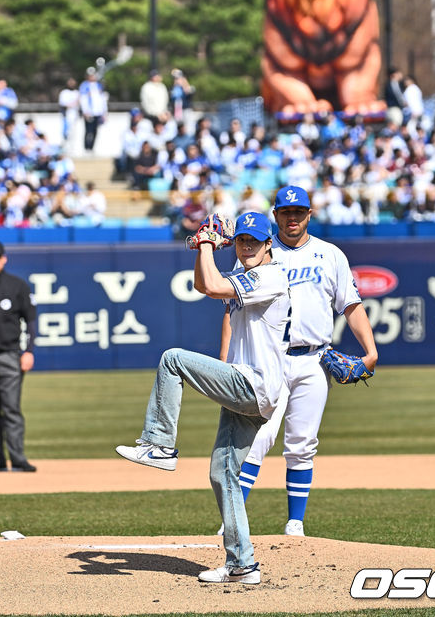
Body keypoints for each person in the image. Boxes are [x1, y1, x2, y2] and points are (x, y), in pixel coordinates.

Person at [116, 211, 290, 584]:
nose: (246, 246)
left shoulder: (269, 276)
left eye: (254, 241)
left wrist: (209, 241)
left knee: (173, 359)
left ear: (269, 244)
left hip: (254, 384)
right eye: (242, 240)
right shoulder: (250, 274)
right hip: (253, 387)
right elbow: (202, 283)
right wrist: (202, 246)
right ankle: (243, 564)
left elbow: (212, 287)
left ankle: (159, 444)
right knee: (223, 473)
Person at [218, 185, 378, 537]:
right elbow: (232, 310)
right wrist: (227, 361)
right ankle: (232, 520)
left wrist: (371, 351)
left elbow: (350, 305)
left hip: (314, 360)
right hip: (267, 360)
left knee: (302, 443)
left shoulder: (331, 255)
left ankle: (295, 523)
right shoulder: (257, 251)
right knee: (258, 439)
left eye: (299, 212)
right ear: (275, 215)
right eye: (286, 212)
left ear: (309, 214)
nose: (292, 218)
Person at [0, 241, 37, 472]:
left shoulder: (16, 285)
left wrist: (29, 351)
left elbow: (30, 321)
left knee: (11, 408)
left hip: (9, 355)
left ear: (4, 259)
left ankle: (18, 458)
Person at [79, 67, 107, 152]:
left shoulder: (99, 85)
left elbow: (102, 99)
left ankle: (91, 148)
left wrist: (104, 112)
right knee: (88, 131)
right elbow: (83, 99)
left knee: (95, 131)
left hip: (97, 112)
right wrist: (85, 111)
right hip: (89, 112)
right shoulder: (84, 85)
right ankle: (86, 148)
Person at [57, 77, 80, 142]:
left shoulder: (77, 92)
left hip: (75, 115)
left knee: (73, 132)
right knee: (66, 132)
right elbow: (63, 104)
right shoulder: (64, 92)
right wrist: (72, 104)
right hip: (66, 115)